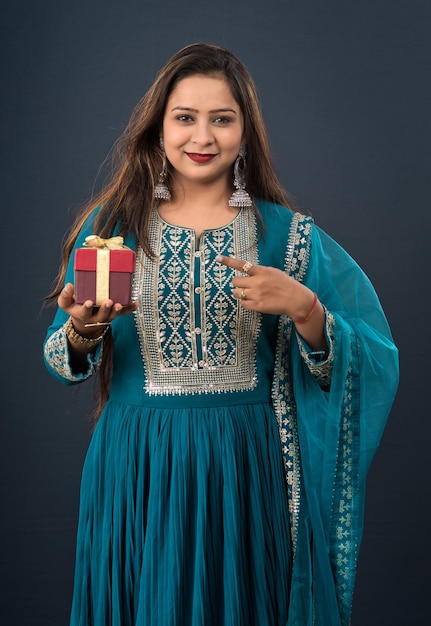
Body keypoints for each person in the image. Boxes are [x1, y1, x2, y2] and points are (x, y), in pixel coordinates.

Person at [44, 43, 399, 626]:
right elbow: (62, 358)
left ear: (245, 131)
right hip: (139, 465)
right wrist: (84, 331)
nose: (201, 136)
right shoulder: (111, 229)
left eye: (222, 118)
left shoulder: (289, 235)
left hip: (245, 469)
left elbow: (373, 359)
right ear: (159, 128)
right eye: (185, 117)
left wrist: (305, 307)